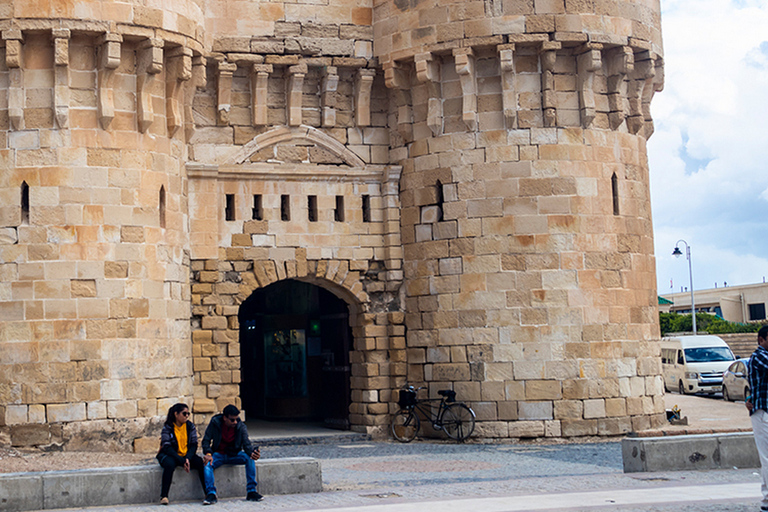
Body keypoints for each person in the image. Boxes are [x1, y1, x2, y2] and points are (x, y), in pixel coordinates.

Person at [201, 404, 263, 505]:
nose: (235, 422)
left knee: (249, 458)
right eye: (232, 420)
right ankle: (211, 494)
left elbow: (246, 443)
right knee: (207, 465)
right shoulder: (215, 422)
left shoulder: (240, 426)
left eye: (236, 419)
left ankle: (251, 491)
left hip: (234, 454)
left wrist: (252, 453)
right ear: (225, 418)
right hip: (218, 454)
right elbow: (206, 441)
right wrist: (208, 453)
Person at [156, 403, 206, 505]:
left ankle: (207, 492)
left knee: (200, 462)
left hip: (185, 455)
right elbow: (167, 446)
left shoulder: (190, 426)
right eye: (184, 414)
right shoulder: (168, 427)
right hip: (171, 454)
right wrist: (182, 460)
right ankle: (164, 496)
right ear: (176, 414)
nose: (186, 416)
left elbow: (193, 444)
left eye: (188, 414)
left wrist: (187, 458)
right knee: (169, 465)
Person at [747, 325, 768, 511]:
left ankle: (766, 501)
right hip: (763, 414)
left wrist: (749, 398)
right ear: (761, 340)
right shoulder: (759, 356)